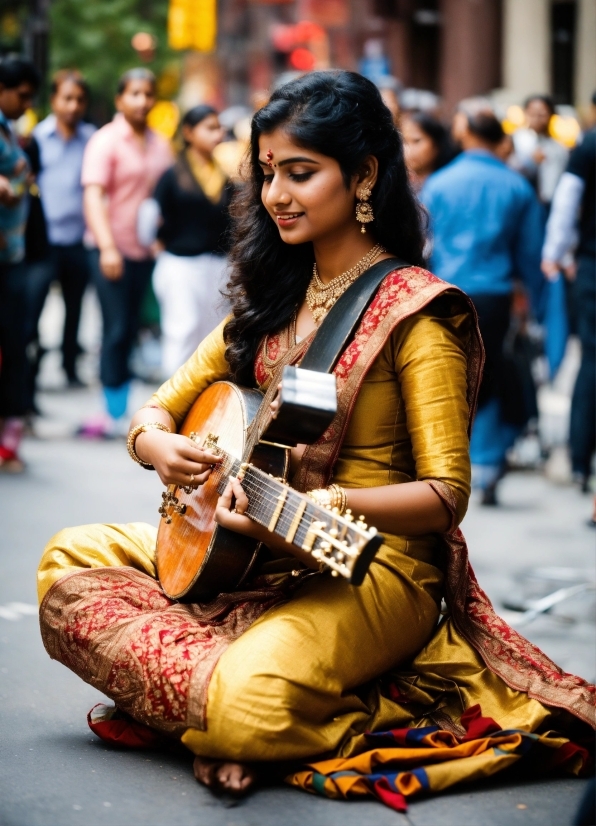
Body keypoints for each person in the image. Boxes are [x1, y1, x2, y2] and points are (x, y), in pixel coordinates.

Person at [38, 73, 592, 801]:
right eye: (267, 174)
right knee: (65, 562)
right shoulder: (276, 292)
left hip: (373, 567)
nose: (277, 196)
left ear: (362, 175)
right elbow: (160, 407)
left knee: (242, 705)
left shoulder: (417, 315)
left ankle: (248, 710)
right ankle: (221, 701)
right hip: (251, 543)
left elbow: (446, 495)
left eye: (300, 173)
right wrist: (153, 447)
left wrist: (326, 501)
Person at [421, 99, 545, 505]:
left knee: (451, 377)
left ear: (466, 133)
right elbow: (530, 255)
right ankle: (487, 464)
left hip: (444, 294)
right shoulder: (517, 185)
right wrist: (535, 307)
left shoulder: (440, 183)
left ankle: (445, 463)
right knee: (489, 377)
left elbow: (425, 246)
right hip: (495, 296)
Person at [80, 68, 172, 437]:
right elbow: (93, 194)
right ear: (120, 99)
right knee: (116, 328)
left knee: (134, 328)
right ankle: (111, 410)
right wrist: (106, 247)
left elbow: (163, 197)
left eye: (148, 93)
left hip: (145, 252)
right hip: (110, 250)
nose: (142, 101)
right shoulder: (106, 141)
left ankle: (121, 402)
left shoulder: (160, 144)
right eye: (134, 93)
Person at [26, 70, 95, 394]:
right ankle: (31, 371)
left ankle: (69, 365)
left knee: (75, 307)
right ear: (54, 100)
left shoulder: (91, 139)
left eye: (79, 99)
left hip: (78, 239)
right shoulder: (37, 138)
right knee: (33, 308)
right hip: (43, 241)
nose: (73, 106)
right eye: (67, 98)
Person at [152, 105, 232, 378]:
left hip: (218, 265)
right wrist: (156, 248)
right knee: (182, 331)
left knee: (213, 335)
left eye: (219, 127)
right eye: (210, 128)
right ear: (188, 132)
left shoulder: (223, 175)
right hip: (180, 265)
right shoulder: (171, 175)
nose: (218, 134)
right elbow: (152, 218)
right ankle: (171, 401)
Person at [542, 94, 596, 492]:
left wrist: (555, 254)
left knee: (592, 362)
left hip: (592, 265)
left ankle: (580, 461)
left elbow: (566, 203)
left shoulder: (588, 145)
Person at [0, 56, 41, 472]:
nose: (26, 105)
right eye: (23, 96)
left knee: (15, 344)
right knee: (12, 346)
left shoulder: (9, 129)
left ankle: (8, 441)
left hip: (10, 257)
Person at [510, 95, 568, 211]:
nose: (536, 118)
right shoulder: (515, 140)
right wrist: (530, 162)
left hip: (549, 204)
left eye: (541, 114)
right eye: (532, 113)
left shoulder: (558, 147)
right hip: (522, 202)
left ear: (551, 115)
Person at [401, 110, 457, 191]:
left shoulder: (450, 182)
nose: (408, 149)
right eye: (404, 142)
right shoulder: (398, 184)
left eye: (416, 141)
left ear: (436, 144)